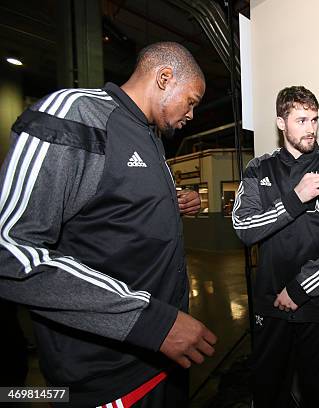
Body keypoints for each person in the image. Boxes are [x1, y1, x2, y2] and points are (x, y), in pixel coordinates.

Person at [0, 42, 217, 407]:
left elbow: (110, 213)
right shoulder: (76, 114)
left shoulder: (152, 139)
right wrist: (151, 321)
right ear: (165, 78)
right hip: (107, 373)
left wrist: (171, 204)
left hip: (162, 356)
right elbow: (9, 251)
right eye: (191, 101)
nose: (192, 114)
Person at [232, 86, 319, 407]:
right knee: (268, 392)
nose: (311, 128)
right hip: (270, 306)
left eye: (315, 119)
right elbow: (243, 227)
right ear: (281, 123)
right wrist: (294, 201)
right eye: (301, 120)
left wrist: (301, 288)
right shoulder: (258, 168)